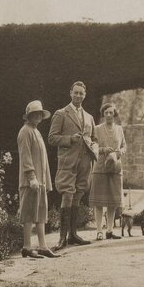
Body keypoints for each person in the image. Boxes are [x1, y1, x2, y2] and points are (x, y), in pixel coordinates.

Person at [48, 81, 98, 251]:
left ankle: (73, 234)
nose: (78, 96)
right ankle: (62, 238)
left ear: (85, 95)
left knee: (78, 194)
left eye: (81, 93)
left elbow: (95, 139)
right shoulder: (61, 114)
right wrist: (70, 139)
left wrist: (94, 148)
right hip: (67, 161)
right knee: (67, 195)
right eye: (75, 93)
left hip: (84, 163)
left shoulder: (90, 117)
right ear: (70, 93)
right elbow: (52, 138)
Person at [16, 100, 60, 258]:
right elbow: (26, 156)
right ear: (28, 116)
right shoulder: (25, 131)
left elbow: (42, 159)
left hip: (40, 181)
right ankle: (27, 246)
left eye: (39, 114)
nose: (37, 116)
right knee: (28, 212)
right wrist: (32, 177)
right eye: (34, 114)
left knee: (41, 212)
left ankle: (42, 246)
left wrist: (44, 180)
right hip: (30, 182)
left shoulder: (36, 131)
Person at [89, 103, 126, 240]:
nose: (109, 115)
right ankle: (99, 230)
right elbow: (93, 146)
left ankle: (109, 230)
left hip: (115, 168)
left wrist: (119, 152)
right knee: (99, 202)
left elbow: (124, 146)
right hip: (100, 168)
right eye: (106, 113)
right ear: (103, 114)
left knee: (112, 201)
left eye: (111, 113)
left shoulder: (119, 129)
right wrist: (103, 150)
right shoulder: (97, 129)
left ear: (114, 114)